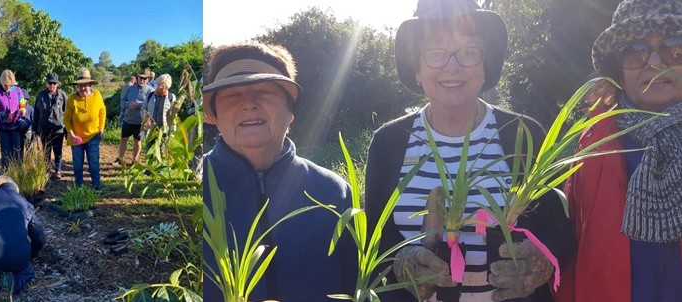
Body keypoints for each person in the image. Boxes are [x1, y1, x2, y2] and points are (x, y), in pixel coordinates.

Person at [368, 0, 572, 301]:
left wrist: (540, 261)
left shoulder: (523, 135)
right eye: (436, 54)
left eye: (468, 52)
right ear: (417, 72)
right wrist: (401, 264)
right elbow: (374, 243)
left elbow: (561, 233)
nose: (453, 66)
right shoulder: (389, 143)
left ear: (484, 65)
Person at [200, 42, 355, 302]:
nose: (249, 104)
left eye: (264, 91)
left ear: (290, 112)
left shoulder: (332, 190)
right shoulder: (195, 184)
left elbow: (355, 282)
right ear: (215, 114)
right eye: (232, 95)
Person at [559, 0, 682, 301]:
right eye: (635, 51)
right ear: (618, 68)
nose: (654, 63)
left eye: (674, 48)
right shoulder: (594, 144)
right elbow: (569, 248)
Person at [63, 69, 105, 189]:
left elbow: (102, 111)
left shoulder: (97, 95)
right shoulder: (72, 99)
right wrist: (71, 134)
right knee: (77, 163)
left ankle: (96, 186)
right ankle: (79, 187)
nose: (83, 88)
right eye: (80, 85)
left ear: (90, 85)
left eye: (85, 85)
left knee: (93, 162)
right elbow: (66, 119)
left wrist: (101, 128)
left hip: (93, 135)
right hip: (76, 137)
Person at [0, 70, 29, 168]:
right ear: (2, 82)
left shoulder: (18, 91)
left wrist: (19, 113)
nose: (8, 87)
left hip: (16, 127)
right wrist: (0, 115)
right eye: (6, 85)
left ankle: (18, 175)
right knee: (6, 154)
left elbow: (23, 107)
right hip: (3, 129)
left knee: (17, 153)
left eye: (11, 85)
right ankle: (6, 174)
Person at [33, 73, 66, 180]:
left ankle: (58, 170)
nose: (52, 85)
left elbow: (67, 112)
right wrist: (35, 131)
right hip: (44, 128)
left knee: (58, 152)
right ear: (46, 84)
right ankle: (47, 171)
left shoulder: (63, 95)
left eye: (54, 83)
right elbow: (36, 113)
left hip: (58, 129)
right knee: (46, 152)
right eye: (50, 83)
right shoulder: (41, 95)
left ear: (57, 83)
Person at [117, 68, 154, 166]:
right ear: (137, 77)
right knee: (123, 139)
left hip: (140, 122)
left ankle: (135, 161)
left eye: (144, 78)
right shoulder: (129, 88)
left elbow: (151, 106)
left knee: (137, 142)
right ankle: (120, 159)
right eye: (140, 78)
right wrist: (129, 104)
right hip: (128, 119)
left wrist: (139, 106)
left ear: (148, 79)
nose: (142, 80)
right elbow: (122, 101)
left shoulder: (151, 91)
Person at [143, 74, 176, 157]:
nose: (159, 88)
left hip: (164, 130)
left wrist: (172, 131)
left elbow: (173, 115)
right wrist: (146, 119)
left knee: (161, 151)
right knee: (149, 150)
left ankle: (159, 169)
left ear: (167, 87)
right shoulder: (150, 95)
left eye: (162, 87)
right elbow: (143, 109)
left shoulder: (171, 97)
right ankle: (149, 169)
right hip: (151, 129)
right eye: (158, 85)